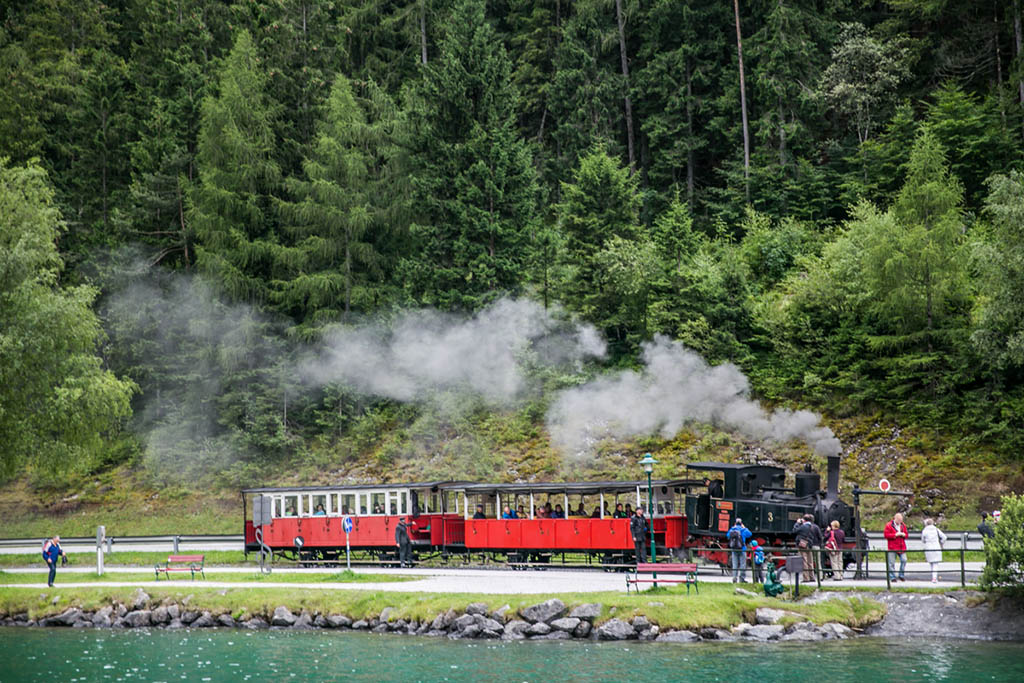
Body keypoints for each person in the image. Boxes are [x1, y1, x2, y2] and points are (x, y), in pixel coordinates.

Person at [793, 514, 822, 583]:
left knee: (804, 561)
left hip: (803, 545)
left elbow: (794, 530)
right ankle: (811, 577)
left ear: (804, 520)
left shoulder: (804, 526)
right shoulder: (813, 526)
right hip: (810, 544)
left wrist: (797, 523)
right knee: (810, 561)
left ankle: (806, 578)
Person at [884, 512, 909, 582]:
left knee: (904, 560)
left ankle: (901, 575)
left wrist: (904, 535)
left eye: (901, 520)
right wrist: (895, 535)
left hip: (901, 546)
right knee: (891, 562)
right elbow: (886, 535)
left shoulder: (903, 525)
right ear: (895, 518)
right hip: (892, 547)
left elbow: (907, 535)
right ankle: (892, 577)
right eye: (899, 520)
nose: (900, 522)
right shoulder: (889, 525)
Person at [921, 518, 947, 583]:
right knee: (936, 563)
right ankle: (934, 578)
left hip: (928, 548)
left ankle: (933, 577)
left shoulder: (925, 530)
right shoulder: (936, 529)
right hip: (936, 547)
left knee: (931, 563)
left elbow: (923, 540)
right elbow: (944, 537)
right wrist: (941, 542)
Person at [727, 518, 752, 583]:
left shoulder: (732, 529)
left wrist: (733, 528)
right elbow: (750, 534)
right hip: (742, 549)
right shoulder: (743, 530)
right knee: (742, 565)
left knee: (735, 564)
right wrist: (745, 527)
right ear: (741, 524)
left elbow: (728, 536)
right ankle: (742, 579)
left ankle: (734, 578)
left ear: (735, 523)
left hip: (734, 549)